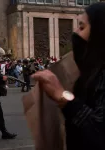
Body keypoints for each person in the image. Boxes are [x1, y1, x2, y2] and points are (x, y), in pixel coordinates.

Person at [32, 2, 105, 150]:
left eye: (82, 27)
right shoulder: (90, 73)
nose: (76, 32)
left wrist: (61, 95)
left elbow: (100, 135)